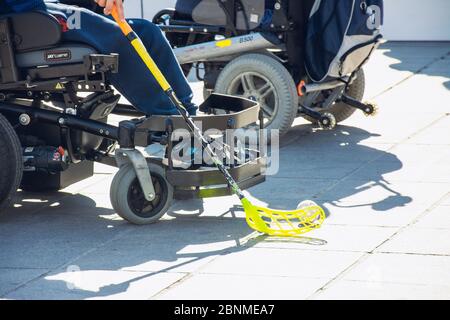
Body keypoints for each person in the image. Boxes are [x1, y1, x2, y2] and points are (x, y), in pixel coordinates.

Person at [0, 0, 198, 116]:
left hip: (42, 10)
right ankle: (169, 119)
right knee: (114, 36)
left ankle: (189, 110)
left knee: (147, 31)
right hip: (18, 15)